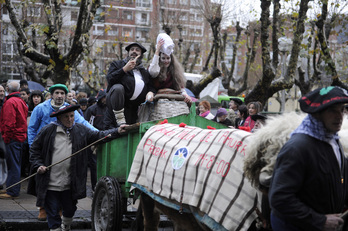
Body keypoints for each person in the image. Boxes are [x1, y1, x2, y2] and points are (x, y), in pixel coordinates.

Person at [29, 104, 127, 231]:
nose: (70, 119)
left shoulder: (81, 130)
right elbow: (34, 150)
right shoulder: (48, 130)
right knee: (52, 210)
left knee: (70, 208)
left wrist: (117, 131)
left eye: (72, 116)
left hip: (70, 182)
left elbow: (99, 135)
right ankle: (55, 228)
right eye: (66, 117)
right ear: (59, 118)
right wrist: (39, 165)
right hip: (51, 182)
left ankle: (66, 225)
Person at [268, 86, 348, 231]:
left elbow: (342, 180)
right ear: (317, 114)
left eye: (342, 109)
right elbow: (280, 198)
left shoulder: (334, 142)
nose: (339, 116)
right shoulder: (298, 148)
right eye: (332, 110)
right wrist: (320, 220)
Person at [27, 84, 97, 221]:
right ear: (51, 94)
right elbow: (32, 129)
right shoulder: (40, 108)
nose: (59, 96)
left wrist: (98, 134)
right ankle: (43, 208)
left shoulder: (70, 110)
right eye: (57, 93)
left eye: (62, 93)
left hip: (63, 145)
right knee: (44, 182)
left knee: (62, 184)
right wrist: (32, 149)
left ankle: (58, 212)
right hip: (44, 150)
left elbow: (83, 123)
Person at [104, 42, 156, 128]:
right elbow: (110, 79)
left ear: (141, 55)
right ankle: (120, 118)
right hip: (115, 109)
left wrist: (150, 92)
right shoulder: (117, 64)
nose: (134, 51)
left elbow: (151, 87)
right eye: (132, 50)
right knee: (118, 88)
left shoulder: (144, 72)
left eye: (137, 50)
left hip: (132, 110)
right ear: (128, 53)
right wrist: (124, 69)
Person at [0, 81, 28, 199]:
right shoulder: (21, 101)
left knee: (13, 165)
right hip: (20, 137)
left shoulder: (10, 102)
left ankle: (12, 191)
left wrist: (6, 139)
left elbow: (9, 123)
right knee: (15, 164)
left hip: (13, 138)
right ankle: (12, 189)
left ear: (7, 88)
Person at [148, 38, 191, 103]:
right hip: (155, 100)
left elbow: (180, 87)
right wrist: (157, 51)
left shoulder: (175, 71)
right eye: (163, 58)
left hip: (171, 102)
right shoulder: (154, 68)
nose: (166, 61)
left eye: (168, 58)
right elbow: (153, 72)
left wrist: (185, 95)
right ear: (159, 59)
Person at [84, 89, 107, 190]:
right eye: (104, 97)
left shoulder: (109, 109)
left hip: (106, 138)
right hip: (94, 140)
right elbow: (87, 124)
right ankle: (95, 187)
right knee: (94, 165)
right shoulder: (92, 109)